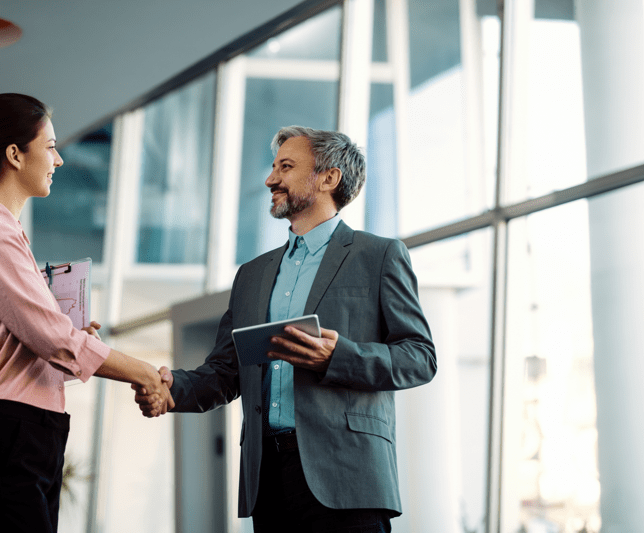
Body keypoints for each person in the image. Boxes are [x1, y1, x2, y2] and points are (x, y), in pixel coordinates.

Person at [135, 126, 437, 532]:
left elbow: (419, 357)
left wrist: (338, 356)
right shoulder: (252, 275)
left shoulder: (378, 256)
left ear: (329, 178)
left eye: (286, 167)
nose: (270, 179)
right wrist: (170, 390)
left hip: (349, 477)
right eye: (274, 167)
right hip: (269, 479)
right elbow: (226, 371)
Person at [0, 93, 173, 533]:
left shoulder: (1, 233)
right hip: (9, 440)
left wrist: (73, 337)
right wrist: (143, 373)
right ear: (14, 154)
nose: (59, 159)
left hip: (23, 437)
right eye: (49, 146)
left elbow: (43, 346)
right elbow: (57, 342)